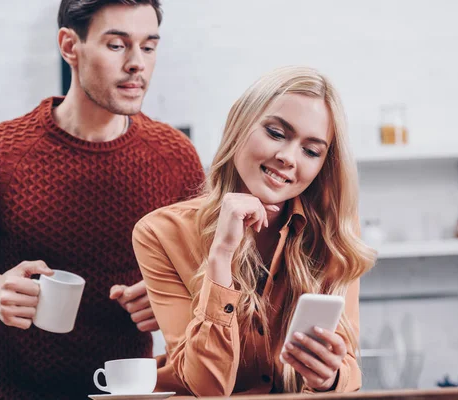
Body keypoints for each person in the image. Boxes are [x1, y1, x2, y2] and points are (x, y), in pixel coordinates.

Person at [0, 1, 204, 399]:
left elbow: (214, 272)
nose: (137, 63)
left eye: (148, 47)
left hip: (130, 394)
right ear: (69, 46)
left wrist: (176, 297)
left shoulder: (175, 156)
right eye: (117, 45)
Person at [132, 66, 376, 396]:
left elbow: (347, 369)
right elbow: (205, 386)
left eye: (311, 151)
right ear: (240, 124)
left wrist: (328, 379)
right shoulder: (159, 234)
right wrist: (221, 257)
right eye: (276, 133)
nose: (288, 157)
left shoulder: (333, 233)